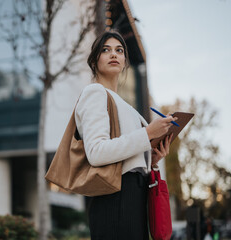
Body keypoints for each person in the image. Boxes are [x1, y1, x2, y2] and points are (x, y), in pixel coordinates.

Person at [76, 31, 177, 239]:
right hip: (114, 199)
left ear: (124, 61)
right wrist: (147, 133)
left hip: (135, 197)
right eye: (106, 50)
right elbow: (96, 152)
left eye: (119, 50)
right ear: (95, 60)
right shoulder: (95, 93)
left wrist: (152, 159)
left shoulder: (125, 106)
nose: (114, 54)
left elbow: (128, 151)